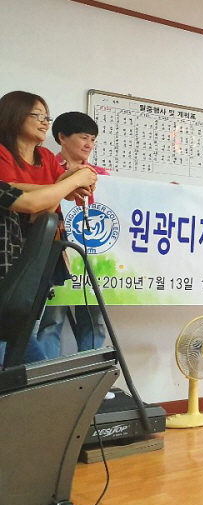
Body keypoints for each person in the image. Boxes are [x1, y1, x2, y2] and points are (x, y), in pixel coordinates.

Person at [0, 172, 97, 365]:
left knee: (36, 368)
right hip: (8, 296)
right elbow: (30, 203)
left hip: (10, 296)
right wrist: (76, 180)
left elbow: (35, 209)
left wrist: (66, 184)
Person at [37, 112, 109, 359]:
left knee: (94, 319)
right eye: (83, 137)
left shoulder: (104, 175)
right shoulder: (48, 170)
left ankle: (91, 380)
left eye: (93, 139)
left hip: (96, 258)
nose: (89, 144)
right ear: (62, 138)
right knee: (51, 319)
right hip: (58, 254)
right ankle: (47, 384)